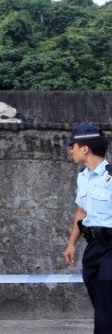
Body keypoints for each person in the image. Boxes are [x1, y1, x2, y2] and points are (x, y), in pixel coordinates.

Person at [62, 123, 112, 332]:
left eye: (72, 145)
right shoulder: (83, 177)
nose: (70, 150)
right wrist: (71, 244)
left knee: (105, 307)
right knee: (102, 305)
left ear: (85, 148)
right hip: (93, 248)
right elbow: (82, 212)